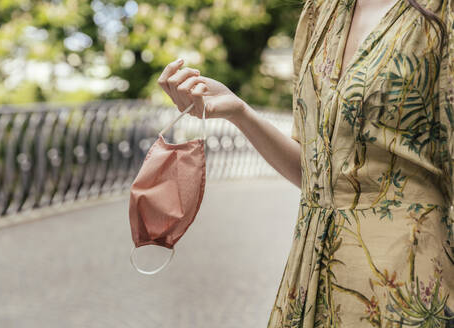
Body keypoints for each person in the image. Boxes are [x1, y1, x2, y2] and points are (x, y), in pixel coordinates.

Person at [157, 0, 454, 325]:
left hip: (407, 280)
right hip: (310, 275)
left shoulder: (442, 12)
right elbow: (314, 174)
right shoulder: (319, 12)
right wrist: (238, 112)